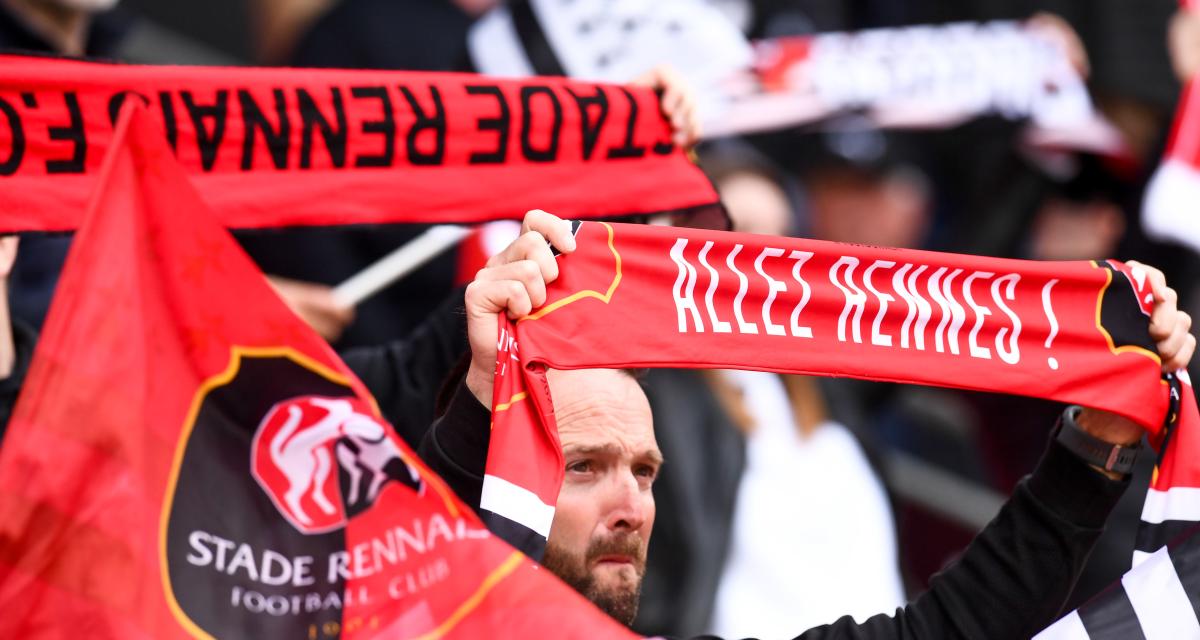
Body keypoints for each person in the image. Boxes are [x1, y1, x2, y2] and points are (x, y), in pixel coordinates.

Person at [420, 210, 1196, 638]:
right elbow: (434, 550)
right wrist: (487, 385)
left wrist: (1099, 436)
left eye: (646, 471)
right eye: (584, 467)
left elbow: (949, 630)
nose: (631, 505)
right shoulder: (415, 614)